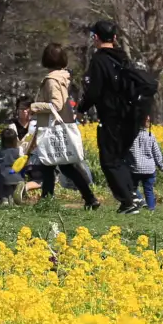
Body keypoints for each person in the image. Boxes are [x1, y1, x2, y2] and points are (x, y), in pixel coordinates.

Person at [78, 20, 151, 213]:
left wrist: (81, 108)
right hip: (132, 117)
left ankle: (128, 201)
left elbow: (94, 91)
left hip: (112, 117)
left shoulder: (99, 60)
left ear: (96, 38)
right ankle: (133, 196)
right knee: (119, 158)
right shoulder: (124, 57)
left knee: (109, 161)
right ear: (115, 38)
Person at [26, 42, 101, 210]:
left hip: (53, 128)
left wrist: (35, 107)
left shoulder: (52, 79)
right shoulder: (63, 77)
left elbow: (56, 104)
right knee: (65, 167)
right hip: (63, 124)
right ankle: (89, 198)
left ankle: (48, 200)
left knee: (49, 165)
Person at [131, 117, 163, 210]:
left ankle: (140, 201)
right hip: (150, 169)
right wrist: (161, 166)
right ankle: (151, 209)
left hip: (135, 168)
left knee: (131, 188)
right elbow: (156, 153)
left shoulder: (131, 136)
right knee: (149, 190)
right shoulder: (151, 136)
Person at [0, 122, 26, 205]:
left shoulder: (0, 150)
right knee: (14, 188)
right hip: (16, 175)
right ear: (15, 139)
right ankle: (13, 199)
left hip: (3, 175)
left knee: (4, 188)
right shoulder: (19, 149)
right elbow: (22, 161)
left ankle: (4, 200)